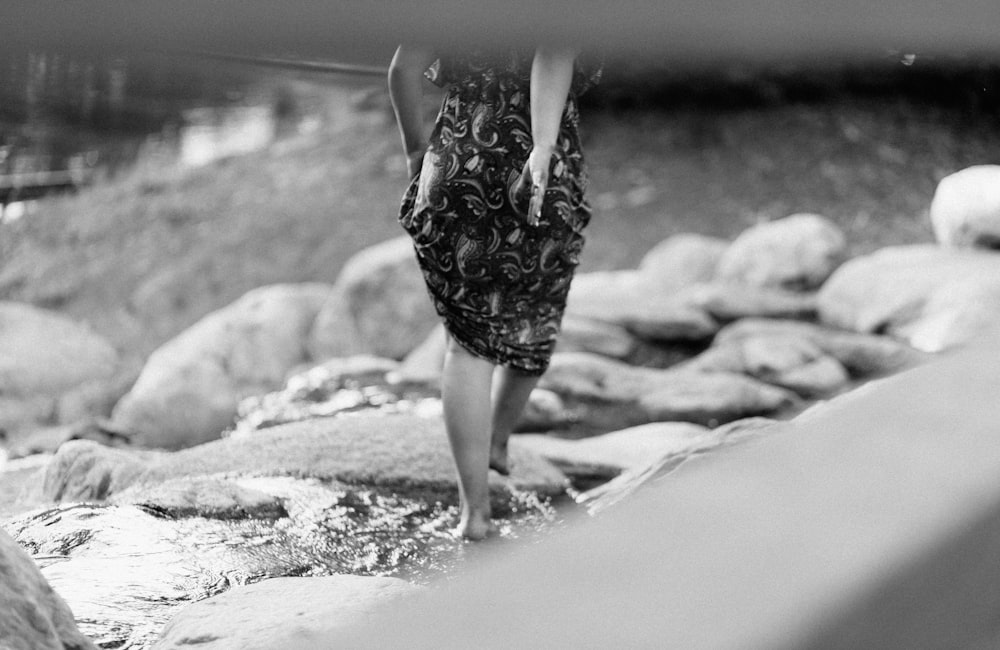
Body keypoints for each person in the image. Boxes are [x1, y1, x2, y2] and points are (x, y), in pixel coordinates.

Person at [388, 44, 600, 540]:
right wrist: (542, 149)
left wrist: (416, 150)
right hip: (542, 168)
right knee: (539, 312)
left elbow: (403, 69)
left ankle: (474, 514)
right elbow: (554, 51)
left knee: (466, 345)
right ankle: (498, 440)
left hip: (460, 159)